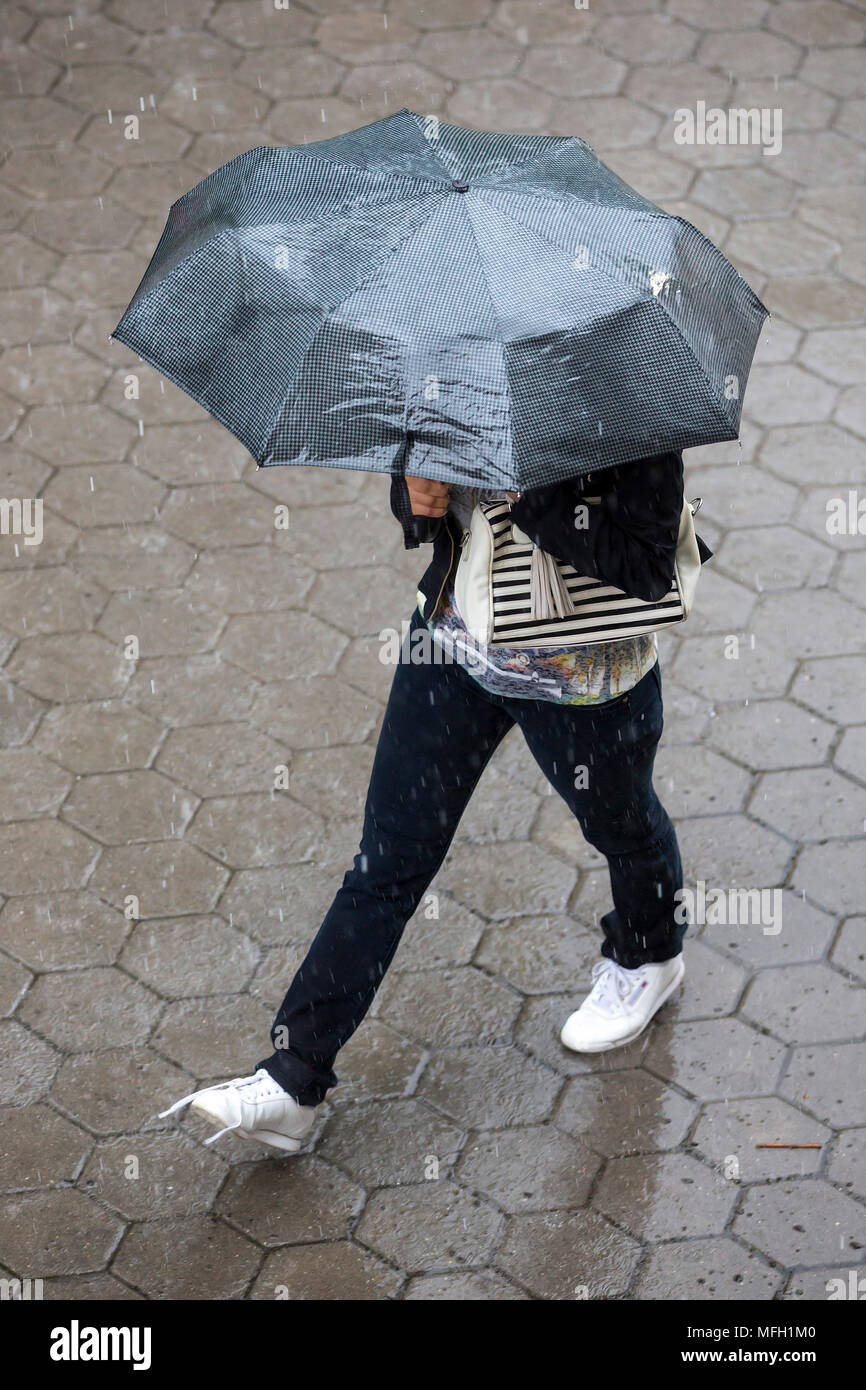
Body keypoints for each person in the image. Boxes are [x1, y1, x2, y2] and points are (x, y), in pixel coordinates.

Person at [161, 451, 704, 1152]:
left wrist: (530, 496)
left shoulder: (627, 396)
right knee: (386, 861)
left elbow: (645, 566)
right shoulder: (457, 363)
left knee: (623, 831)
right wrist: (412, 494)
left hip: (581, 680)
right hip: (452, 645)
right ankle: (294, 1079)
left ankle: (649, 956)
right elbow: (432, 513)